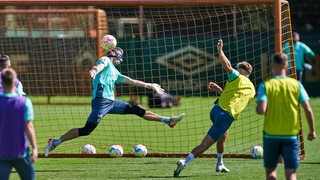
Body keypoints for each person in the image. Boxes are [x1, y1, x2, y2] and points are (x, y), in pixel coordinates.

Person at [44, 47, 185, 157]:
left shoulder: (115, 72)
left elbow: (131, 81)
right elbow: (99, 66)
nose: (120, 62)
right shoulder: (105, 60)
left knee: (137, 110)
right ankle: (55, 142)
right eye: (120, 59)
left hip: (112, 102)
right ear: (115, 56)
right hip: (101, 101)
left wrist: (150, 85)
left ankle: (168, 121)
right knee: (87, 130)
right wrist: (94, 70)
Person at [173, 39, 256, 177]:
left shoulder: (237, 78)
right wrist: (220, 52)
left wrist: (220, 52)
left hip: (216, 110)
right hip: (225, 116)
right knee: (205, 144)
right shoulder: (251, 89)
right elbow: (228, 69)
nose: (234, 70)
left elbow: (228, 71)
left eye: (237, 69)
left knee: (223, 135)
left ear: (241, 70)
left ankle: (220, 163)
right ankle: (185, 161)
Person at [256, 53, 316, 180]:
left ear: (272, 66)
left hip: (270, 135)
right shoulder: (296, 85)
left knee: (271, 173)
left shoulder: (266, 85)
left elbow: (261, 110)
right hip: (290, 135)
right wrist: (312, 130)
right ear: (287, 66)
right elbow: (308, 109)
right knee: (291, 174)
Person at [0, 68, 38, 179]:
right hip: (21, 152)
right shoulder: (25, 102)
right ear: (16, 82)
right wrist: (35, 148)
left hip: (2, 153)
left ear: (2, 83)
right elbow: (28, 126)